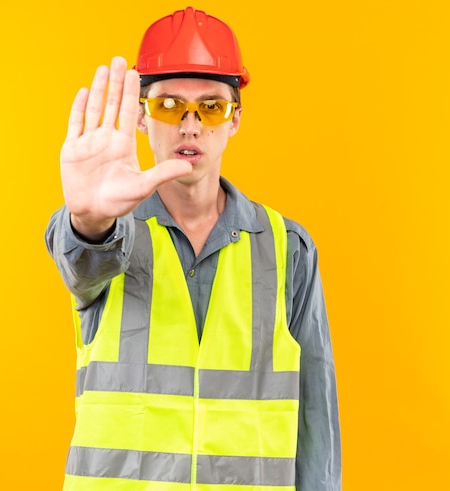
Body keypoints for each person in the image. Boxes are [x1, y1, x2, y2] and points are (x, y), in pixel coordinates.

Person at [46, 6, 341, 491]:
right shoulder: (109, 232)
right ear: (141, 118)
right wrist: (90, 217)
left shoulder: (289, 247)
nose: (189, 125)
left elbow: (316, 421)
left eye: (211, 106)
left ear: (235, 120)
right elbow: (80, 259)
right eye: (167, 106)